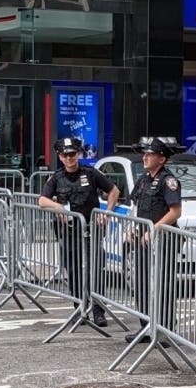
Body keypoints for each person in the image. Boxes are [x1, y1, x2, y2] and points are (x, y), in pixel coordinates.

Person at [39, 135, 119, 327]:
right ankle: (79, 309)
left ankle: (98, 311)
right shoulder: (56, 178)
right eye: (65, 155)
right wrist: (58, 207)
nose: (69, 158)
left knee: (95, 270)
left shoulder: (91, 174)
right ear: (60, 157)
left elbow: (114, 191)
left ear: (78, 154)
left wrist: (107, 213)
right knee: (74, 271)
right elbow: (42, 200)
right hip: (69, 232)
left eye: (72, 154)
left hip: (91, 230)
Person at [125, 136, 182, 343]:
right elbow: (135, 206)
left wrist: (154, 230)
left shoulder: (169, 181)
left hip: (163, 239)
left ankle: (165, 330)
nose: (145, 157)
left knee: (164, 284)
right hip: (142, 239)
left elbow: (175, 212)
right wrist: (131, 227)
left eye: (150, 154)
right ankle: (146, 327)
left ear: (162, 159)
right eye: (145, 154)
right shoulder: (143, 179)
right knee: (141, 282)